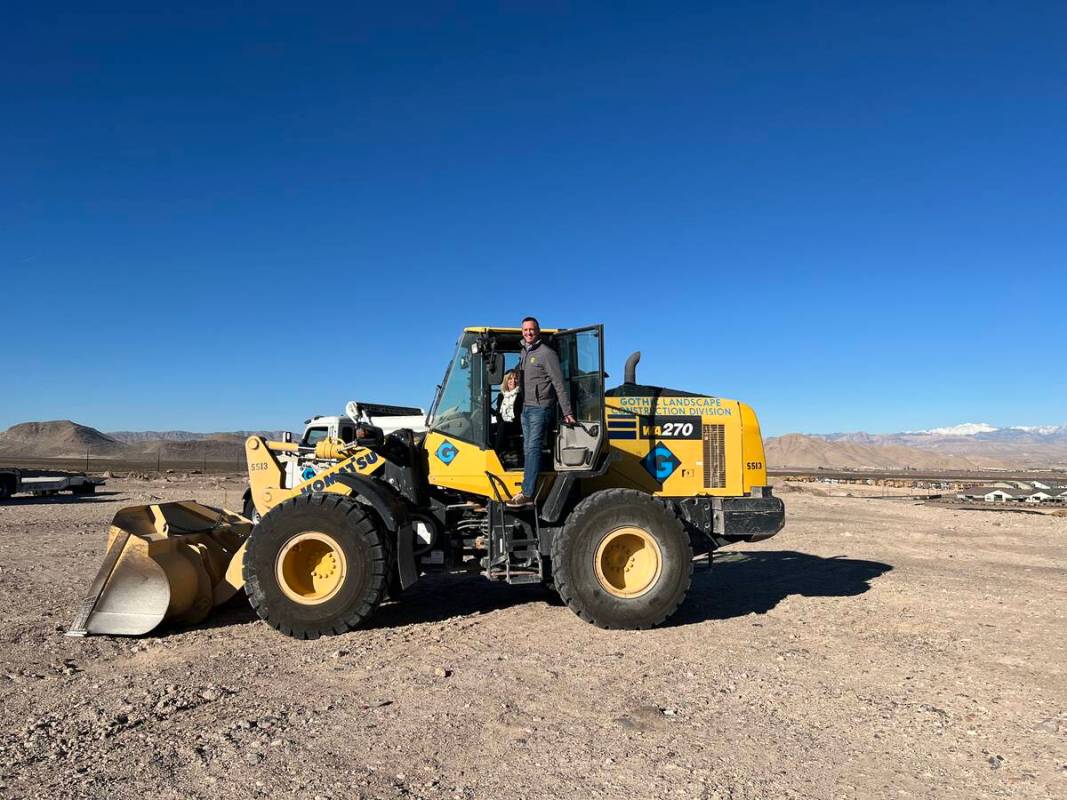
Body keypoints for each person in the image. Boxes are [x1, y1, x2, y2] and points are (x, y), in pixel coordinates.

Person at [508, 316, 575, 507]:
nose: (528, 333)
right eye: (525, 330)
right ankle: (527, 484)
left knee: (533, 447)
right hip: (526, 408)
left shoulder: (547, 354)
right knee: (527, 448)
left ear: (538, 331)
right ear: (522, 332)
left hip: (541, 408)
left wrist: (567, 411)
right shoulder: (524, 353)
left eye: (532, 329)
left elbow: (559, 383)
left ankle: (527, 492)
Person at [493, 369, 523, 465]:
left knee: (502, 426)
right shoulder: (501, 396)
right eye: (510, 378)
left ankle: (495, 455)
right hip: (503, 423)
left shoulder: (521, 396)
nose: (513, 381)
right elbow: (499, 413)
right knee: (487, 427)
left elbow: (519, 414)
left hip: (516, 424)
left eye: (515, 379)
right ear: (506, 380)